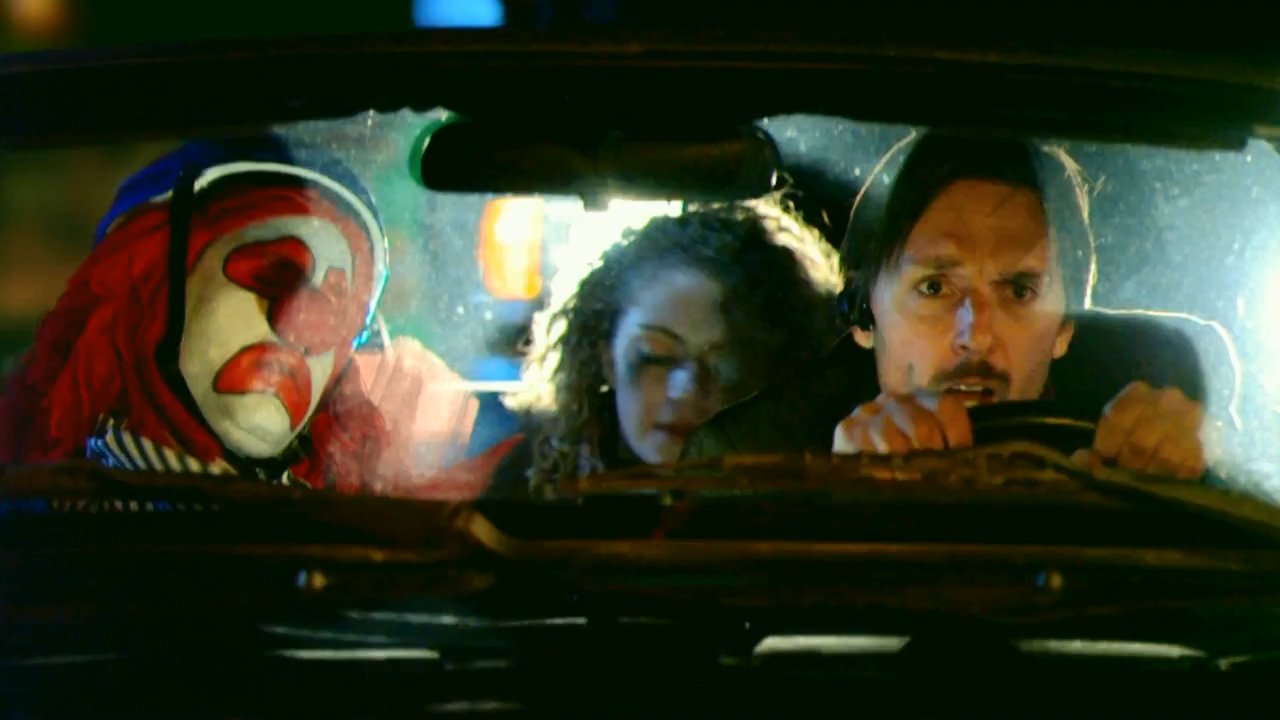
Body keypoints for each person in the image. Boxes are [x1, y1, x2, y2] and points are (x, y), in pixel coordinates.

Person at [683, 130, 1209, 480]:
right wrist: (839, 502)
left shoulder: (1154, 404)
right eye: (935, 288)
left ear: (1065, 327)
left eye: (1019, 291)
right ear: (863, 316)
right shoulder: (755, 458)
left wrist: (1192, 473)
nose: (974, 336)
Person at [0, 133, 500, 497]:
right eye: (277, 273)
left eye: (341, 311)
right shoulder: (40, 521)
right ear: (151, 288)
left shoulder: (339, 526)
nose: (310, 331)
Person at [493, 196, 844, 496]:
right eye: (655, 357)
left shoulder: (823, 495)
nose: (686, 389)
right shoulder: (523, 492)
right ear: (608, 361)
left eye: (727, 365)